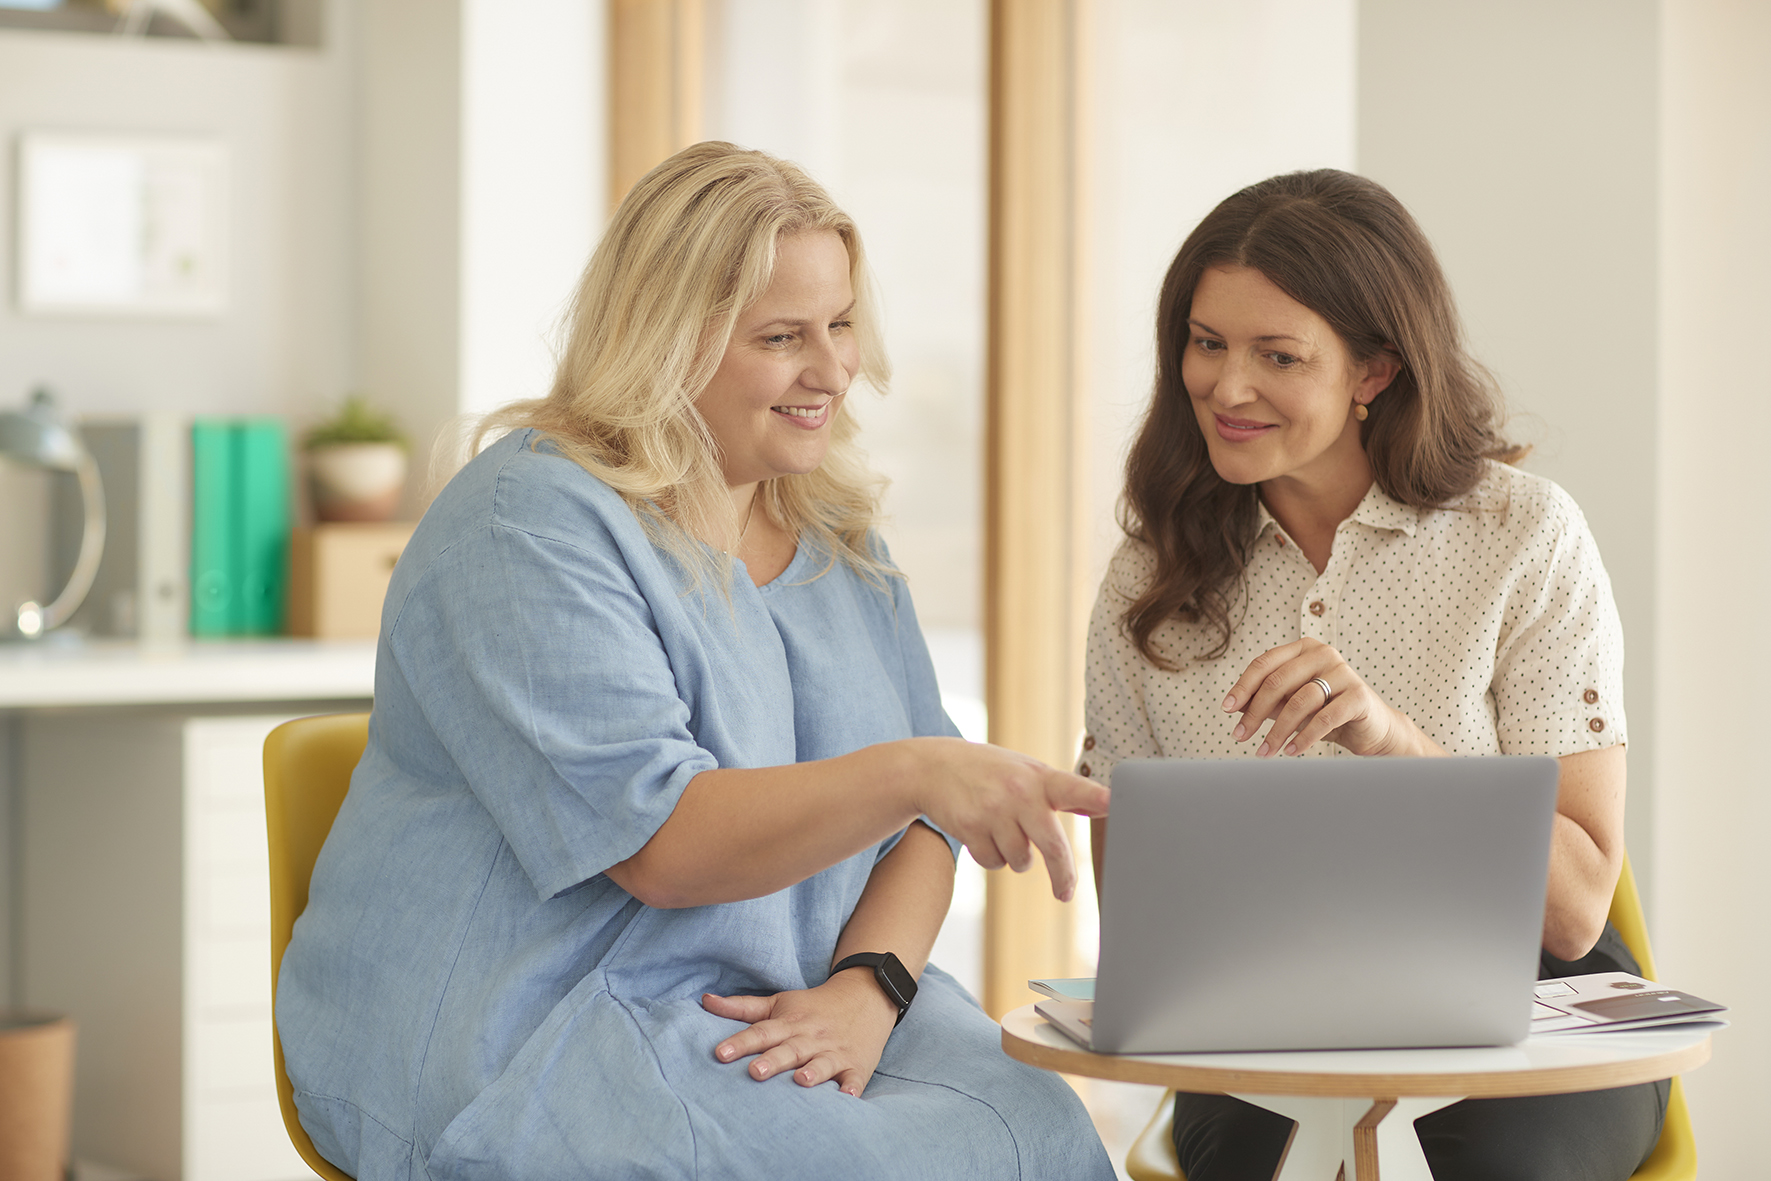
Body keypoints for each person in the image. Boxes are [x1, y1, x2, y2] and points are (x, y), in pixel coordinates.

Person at [277, 141, 1115, 1181]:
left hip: (809, 1000)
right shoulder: (526, 522)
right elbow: (663, 846)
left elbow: (925, 823)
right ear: (665, 342)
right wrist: (912, 769)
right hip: (541, 1025)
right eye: (782, 337)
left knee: (1043, 1127)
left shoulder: (835, 529)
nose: (833, 370)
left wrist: (868, 987)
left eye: (841, 324)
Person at [1081, 169, 1664, 1181]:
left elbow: (1574, 910)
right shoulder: (1152, 571)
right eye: (1206, 342)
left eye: (1277, 355)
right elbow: (1131, 888)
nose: (1225, 386)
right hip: (1260, 1017)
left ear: (1373, 371)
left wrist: (1391, 741)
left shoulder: (1520, 537)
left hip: (1528, 1002)